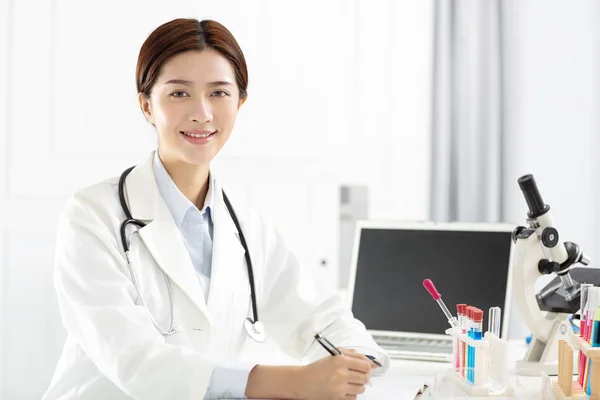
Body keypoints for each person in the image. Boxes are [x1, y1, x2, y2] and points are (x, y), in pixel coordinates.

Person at [43, 18, 388, 400]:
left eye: (219, 93)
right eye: (178, 94)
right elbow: (133, 359)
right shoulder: (93, 216)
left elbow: (318, 315)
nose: (202, 113)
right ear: (146, 105)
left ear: (239, 103)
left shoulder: (245, 226)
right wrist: (292, 382)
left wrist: (359, 360)